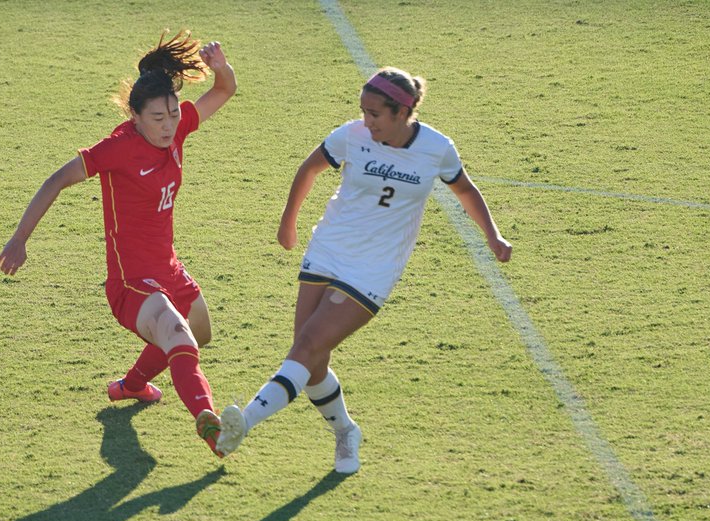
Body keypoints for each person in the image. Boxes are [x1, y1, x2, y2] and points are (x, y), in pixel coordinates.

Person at [217, 67, 512, 472]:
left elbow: (465, 190)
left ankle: (243, 423)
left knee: (306, 348)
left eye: (374, 114)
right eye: (363, 111)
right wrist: (288, 223)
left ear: (402, 112)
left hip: (372, 269)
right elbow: (309, 168)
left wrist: (493, 236)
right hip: (328, 249)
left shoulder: (437, 148)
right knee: (311, 359)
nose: (366, 121)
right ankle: (346, 431)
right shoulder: (351, 136)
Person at [0, 31, 236, 455]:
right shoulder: (118, 148)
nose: (168, 125)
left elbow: (223, 91)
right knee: (180, 340)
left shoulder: (177, 129)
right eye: (157, 118)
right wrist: (20, 239)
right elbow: (57, 179)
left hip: (169, 269)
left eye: (172, 114)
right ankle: (209, 422)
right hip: (132, 283)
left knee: (200, 333)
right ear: (135, 117)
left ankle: (131, 385)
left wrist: (221, 67)